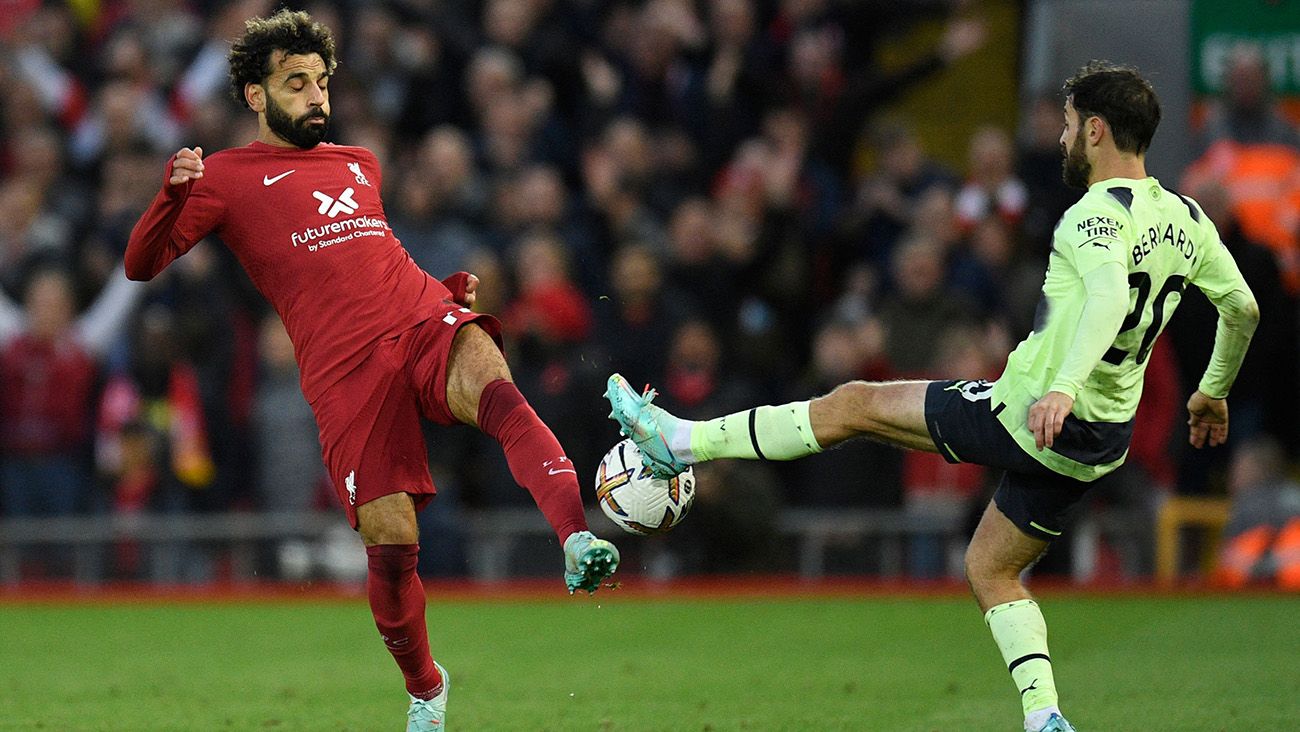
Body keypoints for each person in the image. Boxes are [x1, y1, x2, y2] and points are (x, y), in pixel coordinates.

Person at [606, 61, 1260, 732]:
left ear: (1096, 131)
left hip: (1030, 413)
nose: (1061, 141)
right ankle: (1045, 717)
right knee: (990, 569)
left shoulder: (1092, 217)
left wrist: (1061, 388)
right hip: (1102, 439)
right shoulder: (1187, 217)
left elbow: (1107, 298)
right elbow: (1242, 308)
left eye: (1067, 128)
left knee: (854, 404)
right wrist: (1213, 392)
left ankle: (678, 440)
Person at [123, 10, 619, 730]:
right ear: (256, 96)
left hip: (418, 319)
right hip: (344, 373)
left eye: (322, 81)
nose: (317, 96)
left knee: (493, 379)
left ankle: (576, 537)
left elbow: (370, 259)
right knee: (392, 549)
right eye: (297, 84)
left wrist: (442, 290)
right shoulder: (226, 178)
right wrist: (172, 190)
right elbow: (141, 264)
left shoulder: (361, 163)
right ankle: (426, 687)